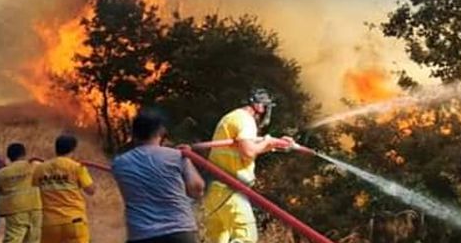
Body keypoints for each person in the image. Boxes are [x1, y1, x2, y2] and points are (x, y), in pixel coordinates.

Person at [201, 89, 294, 243]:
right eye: (265, 107)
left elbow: (244, 146)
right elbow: (249, 152)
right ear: (259, 107)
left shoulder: (232, 117)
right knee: (247, 238)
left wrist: (274, 144)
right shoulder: (246, 120)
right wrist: (267, 141)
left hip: (213, 189)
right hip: (230, 190)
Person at [112, 109, 205, 243]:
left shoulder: (119, 164)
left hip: (141, 235)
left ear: (133, 134)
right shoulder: (176, 156)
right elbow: (197, 189)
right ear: (161, 132)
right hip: (179, 232)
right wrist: (187, 158)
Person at [33, 134, 96, 243]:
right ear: (73, 149)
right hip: (74, 221)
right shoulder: (76, 167)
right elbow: (91, 190)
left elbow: (35, 185)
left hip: (49, 224)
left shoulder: (40, 168)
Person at [0, 142, 42, 243]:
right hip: (35, 207)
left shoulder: (1, 173)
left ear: (8, 156)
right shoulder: (35, 166)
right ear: (24, 154)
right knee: (34, 239)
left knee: (13, 238)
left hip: (14, 209)